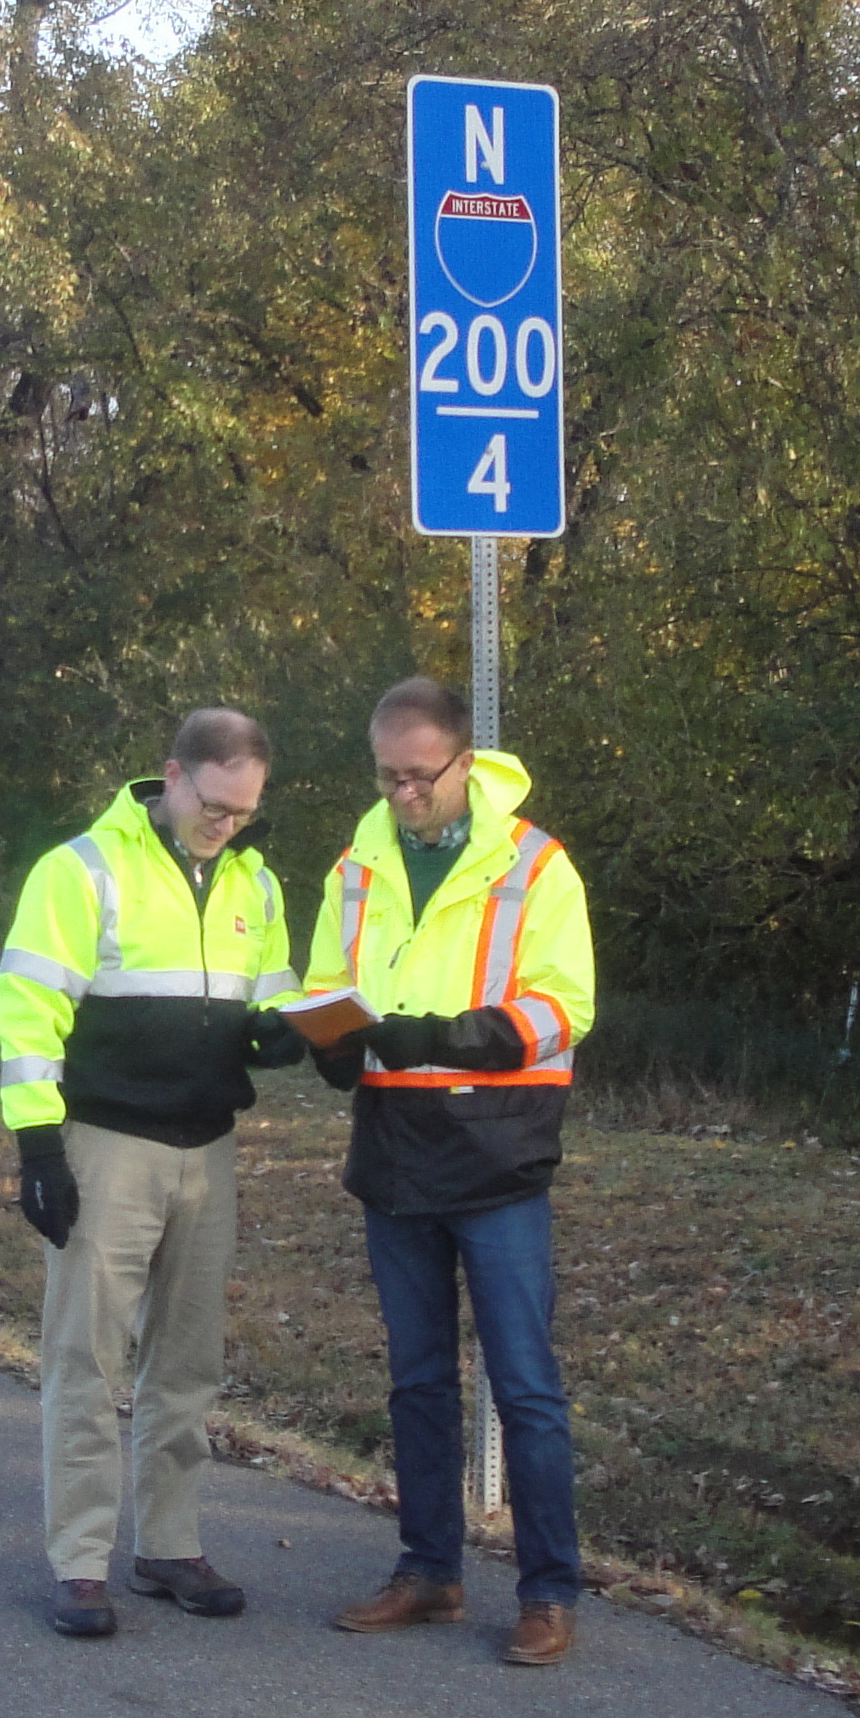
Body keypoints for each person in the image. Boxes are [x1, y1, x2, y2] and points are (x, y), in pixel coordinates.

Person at [0, 708, 305, 1638]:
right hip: (108, 1141)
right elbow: (27, 1009)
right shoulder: (84, 869)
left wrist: (281, 1025)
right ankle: (80, 1562)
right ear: (173, 777)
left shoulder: (254, 879)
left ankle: (170, 1545)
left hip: (207, 1144)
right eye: (216, 807)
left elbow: (273, 981)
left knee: (188, 1361)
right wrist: (39, 1146)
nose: (229, 826)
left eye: (245, 814)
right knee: (87, 1356)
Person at [305, 677, 595, 1665]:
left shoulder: (534, 864)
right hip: (393, 1146)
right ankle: (427, 1570)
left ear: (465, 764)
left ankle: (547, 1589)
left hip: (499, 1146)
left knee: (524, 1387)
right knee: (417, 1379)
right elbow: (322, 983)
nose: (402, 796)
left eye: (419, 777)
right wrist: (328, 1039)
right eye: (387, 777)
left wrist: (454, 1035)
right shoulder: (356, 865)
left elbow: (562, 1004)